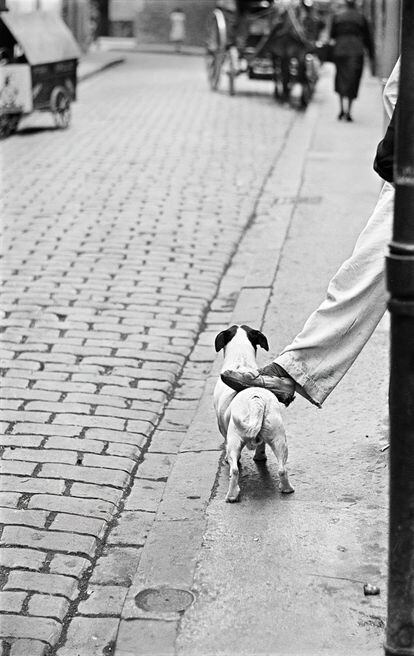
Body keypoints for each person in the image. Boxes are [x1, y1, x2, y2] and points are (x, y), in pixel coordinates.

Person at [221, 58, 399, 409]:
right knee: (361, 275)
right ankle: (294, 370)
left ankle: (294, 371)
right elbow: (394, 89)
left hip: (404, 173)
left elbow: (393, 92)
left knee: (363, 275)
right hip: (402, 172)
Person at [330, 0, 374, 122]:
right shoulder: (361, 18)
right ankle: (348, 111)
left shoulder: (337, 17)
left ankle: (341, 110)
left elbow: (332, 35)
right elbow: (368, 38)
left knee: (340, 79)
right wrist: (371, 55)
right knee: (352, 80)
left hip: (340, 50)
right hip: (356, 51)